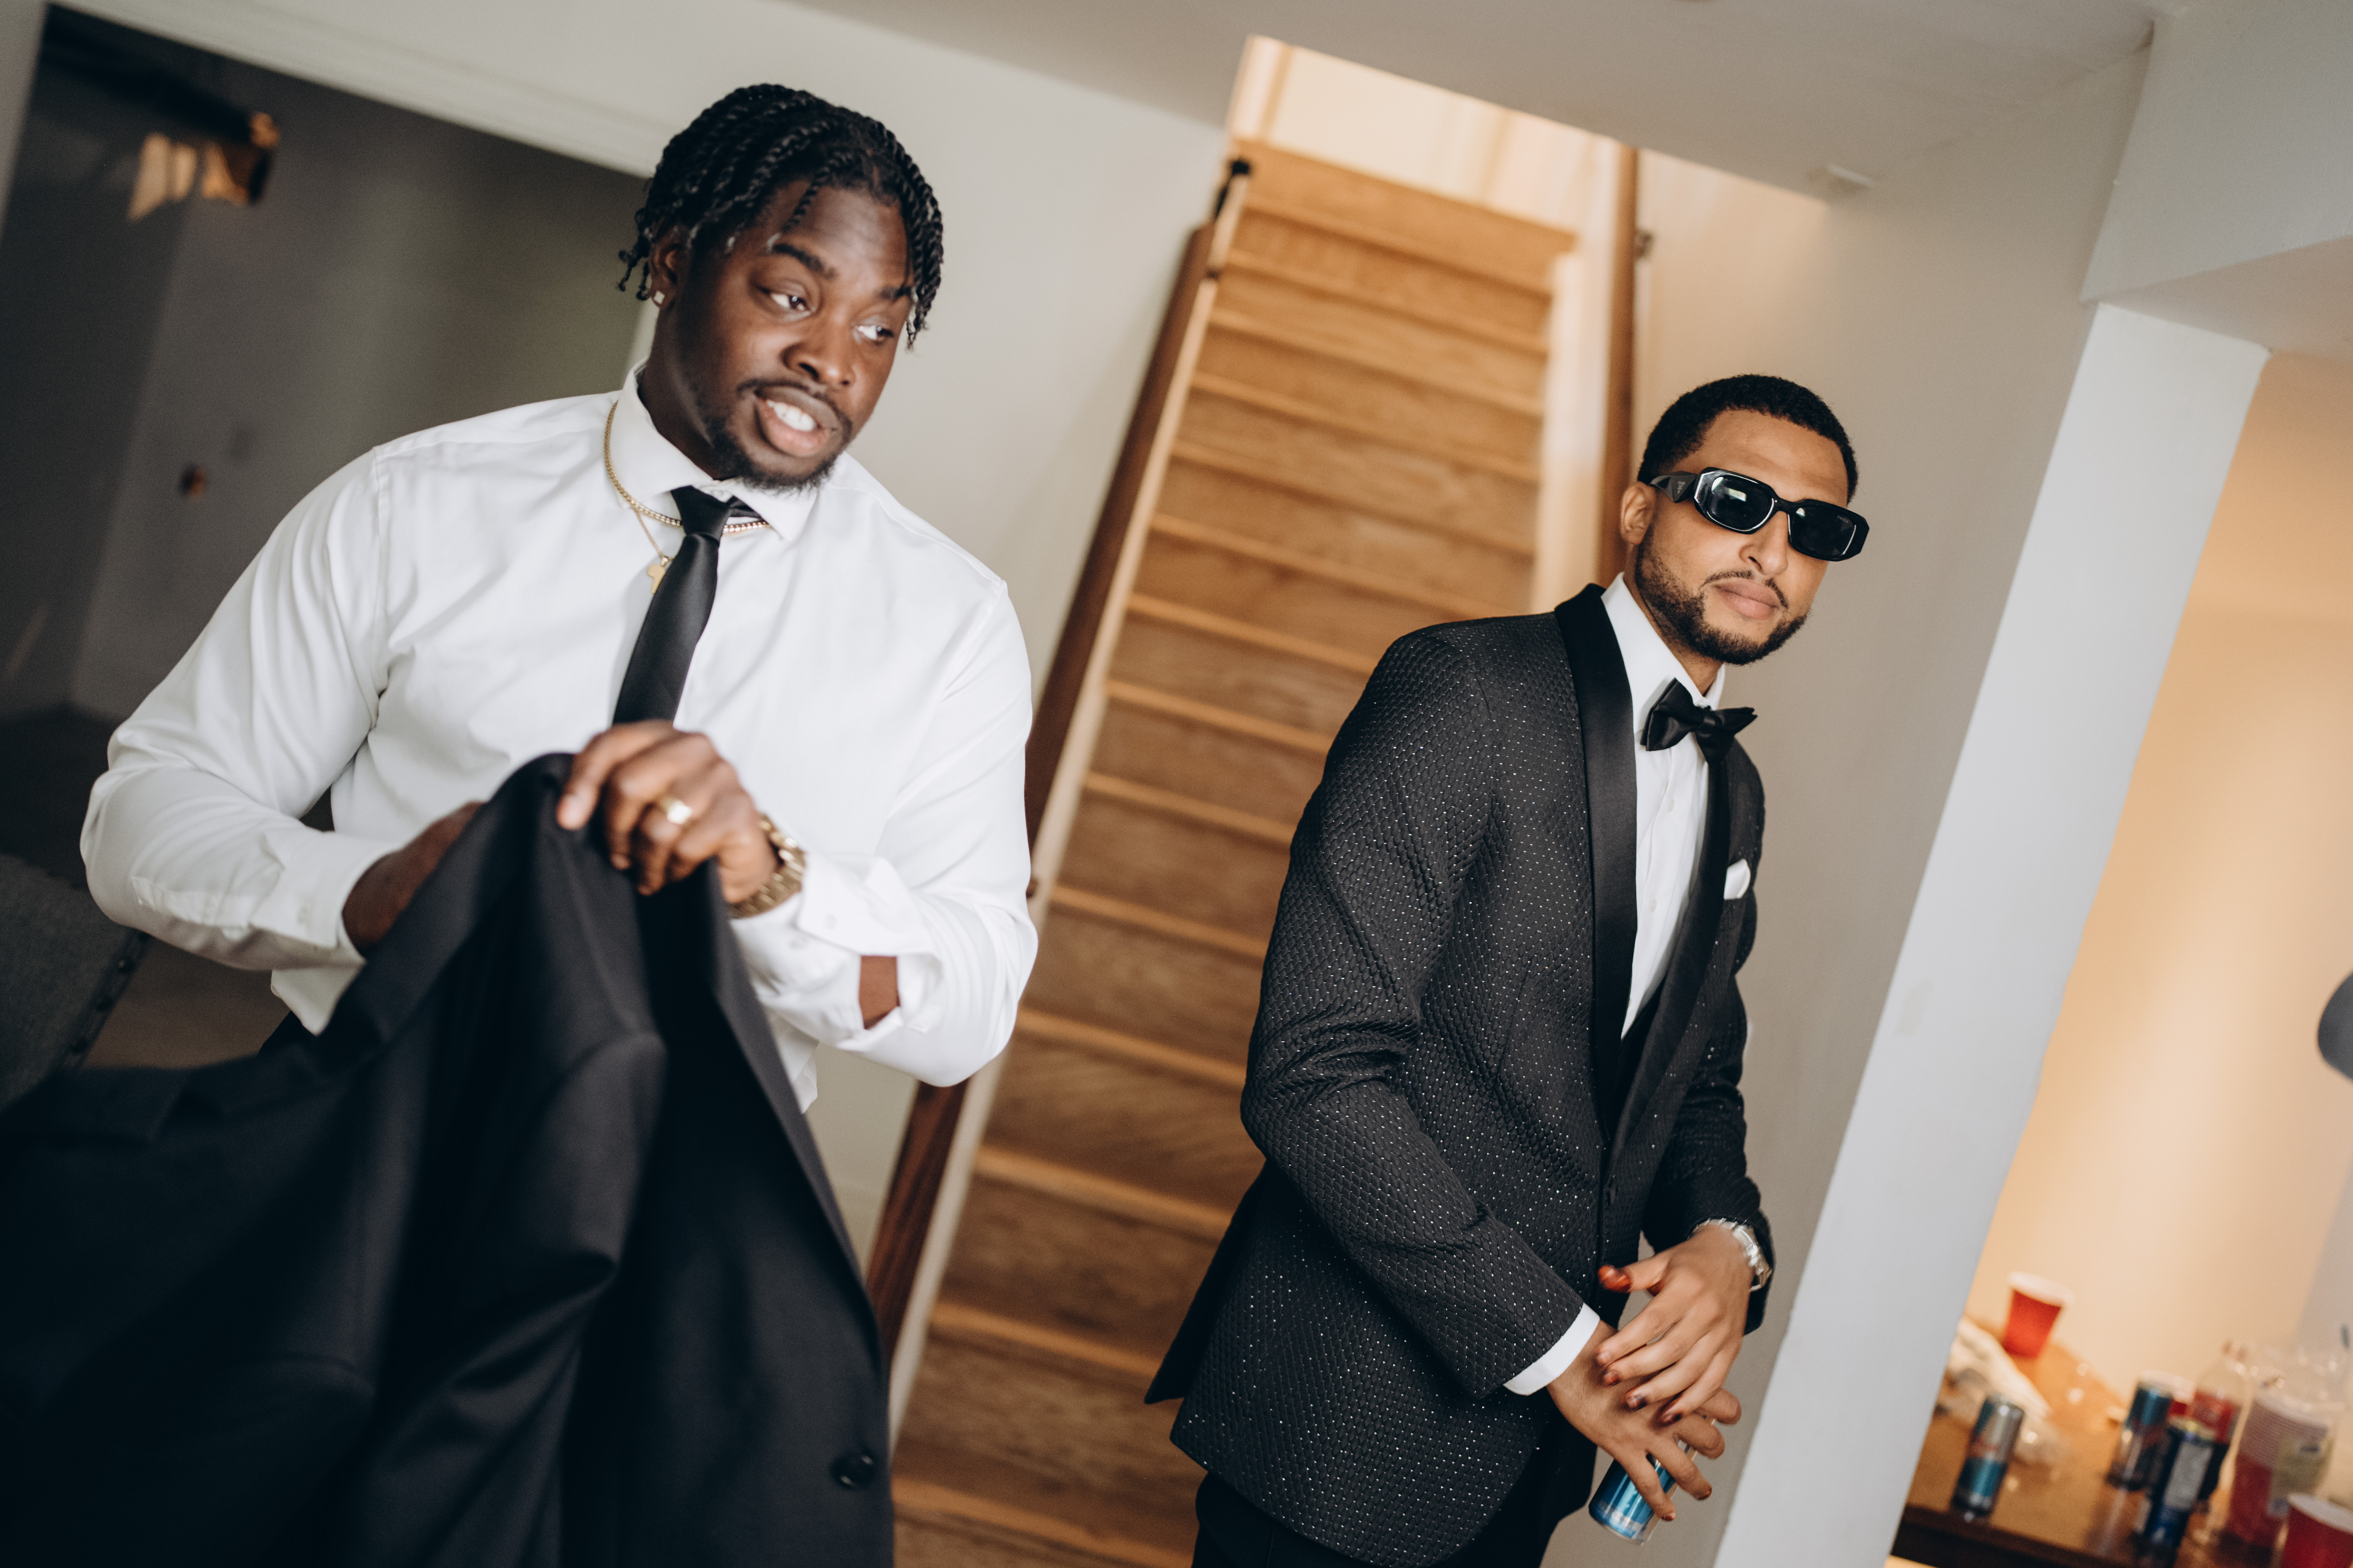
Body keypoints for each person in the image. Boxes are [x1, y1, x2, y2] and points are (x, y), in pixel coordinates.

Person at [81, 85, 1035, 1116]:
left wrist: (771, 884)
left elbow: (972, 1008)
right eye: (792, 296)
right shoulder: (413, 503)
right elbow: (143, 817)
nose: (833, 362)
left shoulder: (952, 627)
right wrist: (366, 894)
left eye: (881, 327)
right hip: (355, 1112)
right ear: (672, 263)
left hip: (682, 1180)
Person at [1148, 375, 1872, 1567]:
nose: (1772, 548)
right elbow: (1314, 1077)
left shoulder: (1735, 791)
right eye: (1734, 500)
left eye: (1817, 527)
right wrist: (1564, 1349)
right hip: (1339, 1429)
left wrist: (1723, 1241)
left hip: (1521, 1479)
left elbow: (1691, 1081)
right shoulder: (1461, 690)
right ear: (1638, 507)